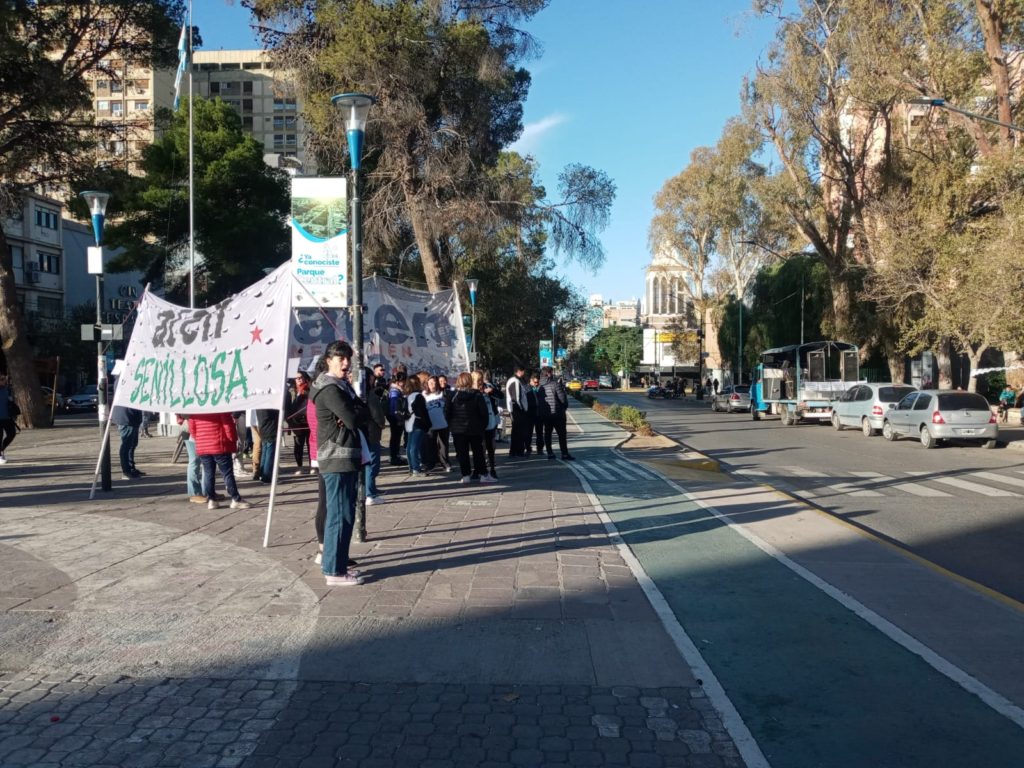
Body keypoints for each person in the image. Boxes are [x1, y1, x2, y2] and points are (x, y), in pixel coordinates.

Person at [310, 340, 368, 586]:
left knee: (345, 514)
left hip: (345, 455)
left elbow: (364, 413)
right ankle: (333, 571)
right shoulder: (330, 389)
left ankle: (338, 563)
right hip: (336, 456)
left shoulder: (341, 386)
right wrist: (353, 412)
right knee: (338, 514)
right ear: (328, 360)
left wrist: (355, 411)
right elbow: (355, 419)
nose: (346, 363)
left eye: (348, 358)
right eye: (340, 358)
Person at [189, 412, 252, 510]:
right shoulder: (220, 407)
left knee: (208, 474)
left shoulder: (197, 409)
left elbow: (192, 430)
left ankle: (211, 500)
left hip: (203, 447)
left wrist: (201, 440)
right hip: (220, 445)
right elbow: (228, 427)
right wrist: (234, 440)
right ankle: (236, 499)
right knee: (227, 474)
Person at [449, 371, 490, 483]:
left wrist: (451, 425)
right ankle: (482, 474)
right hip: (475, 429)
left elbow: (447, 412)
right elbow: (484, 413)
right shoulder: (477, 395)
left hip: (458, 430)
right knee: (478, 453)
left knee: (462, 453)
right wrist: (482, 426)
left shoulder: (453, 396)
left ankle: (465, 476)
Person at [538, 366, 574, 461]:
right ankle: (564, 454)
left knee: (548, 434)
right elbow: (562, 399)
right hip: (557, 414)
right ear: (549, 373)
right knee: (561, 435)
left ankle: (550, 453)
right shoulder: (555, 384)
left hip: (545, 414)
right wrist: (564, 408)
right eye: (552, 372)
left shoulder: (540, 386)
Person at [364, 367, 387, 503]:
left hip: (363, 432)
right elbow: (376, 413)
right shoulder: (370, 394)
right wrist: (381, 423)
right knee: (372, 463)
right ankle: (370, 493)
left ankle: (370, 488)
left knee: (368, 463)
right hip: (371, 432)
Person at [473, 370, 500, 479]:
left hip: (489, 421)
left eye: (481, 379)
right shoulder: (472, 390)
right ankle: (477, 469)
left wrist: (491, 391)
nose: (480, 382)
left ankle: (492, 468)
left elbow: (500, 395)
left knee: (490, 446)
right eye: (478, 380)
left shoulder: (487, 386)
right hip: (477, 422)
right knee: (478, 447)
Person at [423, 375, 451, 473]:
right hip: (430, 424)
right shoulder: (424, 395)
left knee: (443, 445)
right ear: (427, 384)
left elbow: (448, 408)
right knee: (430, 445)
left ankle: (445, 463)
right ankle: (431, 464)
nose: (433, 384)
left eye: (435, 382)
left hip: (443, 423)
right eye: (431, 383)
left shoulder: (443, 394)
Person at [110, 399, 144, 479]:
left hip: (133, 417)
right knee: (126, 446)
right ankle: (126, 471)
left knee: (132, 445)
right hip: (127, 417)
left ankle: (131, 468)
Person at [404, 373, 430, 476]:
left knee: (410, 446)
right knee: (414, 447)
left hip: (409, 422)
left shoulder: (408, 396)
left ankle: (412, 467)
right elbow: (422, 412)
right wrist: (427, 423)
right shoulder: (418, 396)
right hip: (418, 423)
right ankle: (416, 468)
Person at [176, 414, 205, 503]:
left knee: (207, 461)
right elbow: (183, 414)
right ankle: (194, 493)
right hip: (189, 430)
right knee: (194, 461)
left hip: (202, 428)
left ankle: (207, 491)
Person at [287, 373, 311, 475]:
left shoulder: (310, 389)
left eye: (301, 377)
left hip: (309, 421)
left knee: (310, 444)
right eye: (297, 378)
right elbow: (289, 407)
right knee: (298, 445)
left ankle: (312, 465)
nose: (299, 379)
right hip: (296, 422)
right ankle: (299, 466)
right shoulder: (292, 391)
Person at [505, 364, 529, 457]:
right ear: (520, 371)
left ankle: (515, 451)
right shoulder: (515, 381)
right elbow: (516, 398)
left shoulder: (516, 380)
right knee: (518, 432)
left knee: (516, 431)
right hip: (517, 410)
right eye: (523, 371)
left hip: (516, 410)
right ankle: (518, 451)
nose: (524, 373)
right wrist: (522, 409)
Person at [386, 366, 408, 465]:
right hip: (395, 418)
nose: (405, 384)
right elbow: (394, 407)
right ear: (399, 382)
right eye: (403, 381)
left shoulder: (395, 390)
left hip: (394, 417)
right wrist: (399, 418)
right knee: (395, 437)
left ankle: (395, 455)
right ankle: (394, 457)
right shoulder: (395, 392)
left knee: (395, 437)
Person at [255, 407, 279, 483]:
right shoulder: (268, 405)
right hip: (270, 428)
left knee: (265, 453)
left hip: (263, 428)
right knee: (270, 454)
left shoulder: (260, 404)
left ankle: (262, 474)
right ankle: (267, 477)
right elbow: (275, 413)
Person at [0, 374, 17, 465]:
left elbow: (10, 402)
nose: (4, 381)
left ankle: (1, 448)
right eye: (2, 380)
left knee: (12, 433)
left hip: (7, 417)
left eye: (4, 380)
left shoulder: (7, 390)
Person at [526, 372, 543, 456]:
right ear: (531, 381)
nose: (537, 384)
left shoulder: (540, 388)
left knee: (539, 432)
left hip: (539, 414)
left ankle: (540, 449)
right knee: (529, 432)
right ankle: (528, 448)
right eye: (535, 382)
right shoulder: (527, 389)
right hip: (530, 414)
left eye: (538, 382)